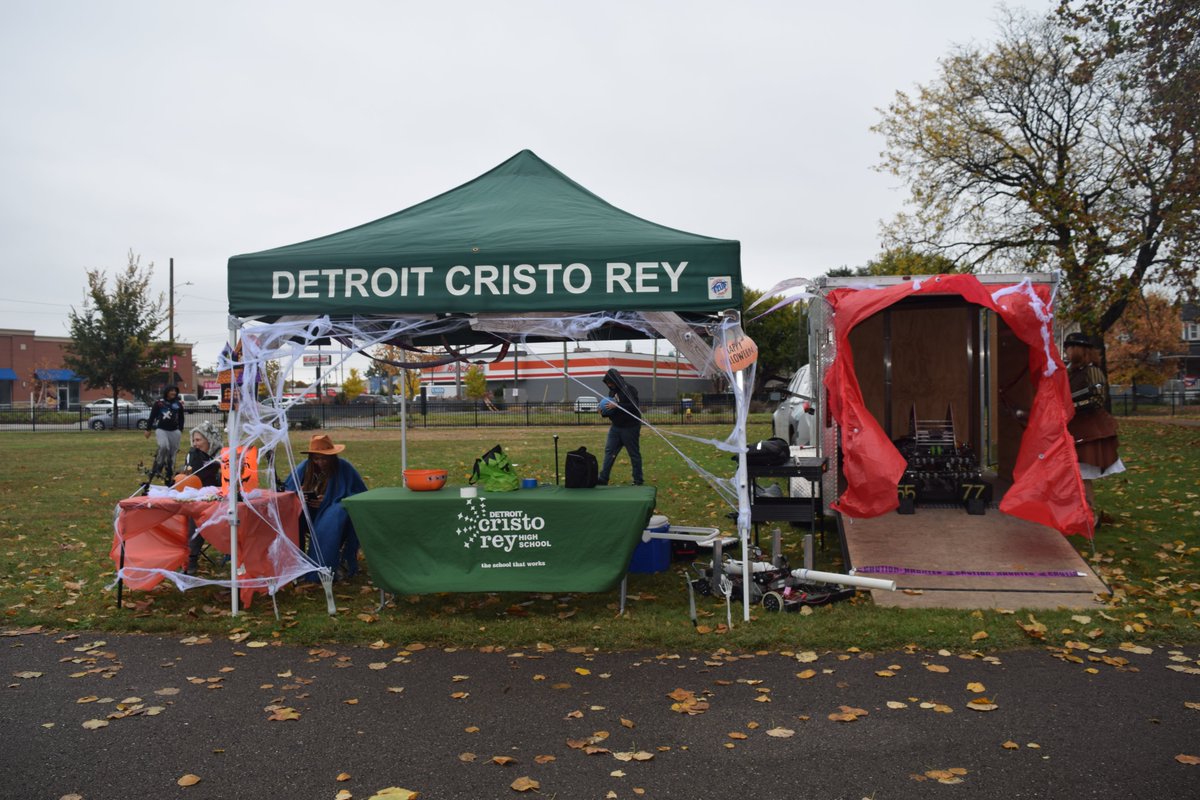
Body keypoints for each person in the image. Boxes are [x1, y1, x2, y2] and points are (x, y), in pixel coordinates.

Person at [284, 433, 368, 580]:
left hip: (334, 510)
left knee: (335, 515)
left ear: (332, 456)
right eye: (316, 458)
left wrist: (329, 499)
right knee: (292, 515)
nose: (320, 462)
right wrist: (299, 494)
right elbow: (287, 491)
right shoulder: (305, 468)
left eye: (324, 458)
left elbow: (360, 494)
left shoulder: (344, 467)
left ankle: (326, 564)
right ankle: (296, 562)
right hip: (309, 511)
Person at [1064, 332, 1123, 526]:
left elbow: (1097, 399)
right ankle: (1080, 513)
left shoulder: (1092, 371)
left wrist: (1069, 406)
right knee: (1074, 475)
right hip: (1074, 427)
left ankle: (1090, 516)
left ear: (1080, 350)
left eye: (1070, 347)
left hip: (1089, 430)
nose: (1067, 351)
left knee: (1083, 475)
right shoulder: (1070, 371)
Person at [177, 421, 223, 575]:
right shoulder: (193, 456)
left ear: (209, 440)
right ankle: (188, 556)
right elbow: (188, 477)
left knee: (199, 513)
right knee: (195, 513)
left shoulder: (222, 455)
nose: (195, 444)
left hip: (220, 499)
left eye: (199, 440)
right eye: (193, 440)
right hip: (197, 497)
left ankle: (193, 556)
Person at [596, 368, 644, 486]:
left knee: (634, 454)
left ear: (615, 380)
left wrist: (617, 405)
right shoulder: (612, 392)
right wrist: (603, 412)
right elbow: (612, 410)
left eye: (610, 382)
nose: (609, 385)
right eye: (607, 383)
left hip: (630, 427)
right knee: (609, 451)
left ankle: (638, 480)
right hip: (616, 427)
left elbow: (634, 407)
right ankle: (603, 478)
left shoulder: (630, 389)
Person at [145, 386, 185, 483]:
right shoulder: (159, 403)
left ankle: (169, 471)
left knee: (172, 453)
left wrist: (180, 429)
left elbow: (181, 417)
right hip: (161, 429)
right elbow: (152, 416)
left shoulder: (178, 404)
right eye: (171, 391)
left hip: (174, 431)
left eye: (175, 391)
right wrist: (148, 429)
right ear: (167, 392)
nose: (173, 393)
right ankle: (159, 464)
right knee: (163, 446)